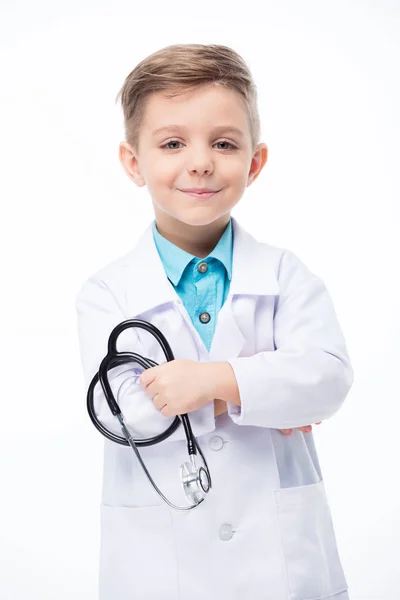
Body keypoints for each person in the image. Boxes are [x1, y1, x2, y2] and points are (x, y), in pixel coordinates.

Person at [75, 43, 354, 600]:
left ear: (255, 162)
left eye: (223, 143)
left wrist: (207, 383)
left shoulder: (284, 274)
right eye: (173, 143)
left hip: (282, 559)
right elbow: (123, 409)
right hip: (160, 559)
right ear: (134, 163)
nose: (200, 161)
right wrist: (260, 388)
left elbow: (325, 379)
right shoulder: (106, 292)